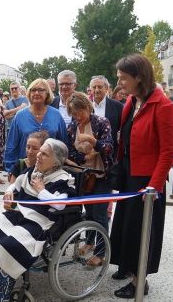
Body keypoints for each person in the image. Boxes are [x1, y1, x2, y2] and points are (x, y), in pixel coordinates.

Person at [0, 139, 76, 301]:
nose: (38, 155)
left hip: (39, 222)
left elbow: (61, 205)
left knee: (10, 245)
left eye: (44, 153)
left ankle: (1, 293)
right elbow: (16, 184)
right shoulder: (33, 170)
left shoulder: (63, 179)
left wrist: (41, 190)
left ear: (56, 162)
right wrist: (9, 191)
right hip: (19, 215)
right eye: (40, 151)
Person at [110, 54, 173, 299]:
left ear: (139, 77)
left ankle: (140, 281)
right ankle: (126, 266)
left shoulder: (164, 106)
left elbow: (169, 152)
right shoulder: (132, 100)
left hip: (147, 179)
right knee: (126, 226)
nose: (120, 83)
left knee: (142, 231)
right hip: (129, 172)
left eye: (123, 78)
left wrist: (154, 187)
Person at [66, 92, 113, 266]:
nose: (77, 117)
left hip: (102, 175)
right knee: (89, 212)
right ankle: (89, 242)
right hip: (84, 176)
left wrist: (93, 141)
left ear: (87, 107)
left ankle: (101, 253)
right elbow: (69, 152)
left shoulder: (101, 122)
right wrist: (83, 158)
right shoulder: (72, 127)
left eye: (79, 112)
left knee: (100, 215)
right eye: (73, 113)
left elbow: (109, 149)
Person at [4, 78, 67, 173]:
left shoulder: (56, 115)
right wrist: (11, 169)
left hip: (51, 170)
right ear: (29, 93)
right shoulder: (20, 116)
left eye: (41, 90)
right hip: (24, 169)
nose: (36, 93)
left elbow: (63, 143)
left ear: (47, 93)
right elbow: (11, 145)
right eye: (33, 90)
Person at [90, 76, 123, 160]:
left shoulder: (117, 106)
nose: (97, 90)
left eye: (100, 87)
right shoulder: (85, 106)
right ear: (90, 89)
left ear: (106, 88)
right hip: (90, 153)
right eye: (94, 87)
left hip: (111, 153)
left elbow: (122, 128)